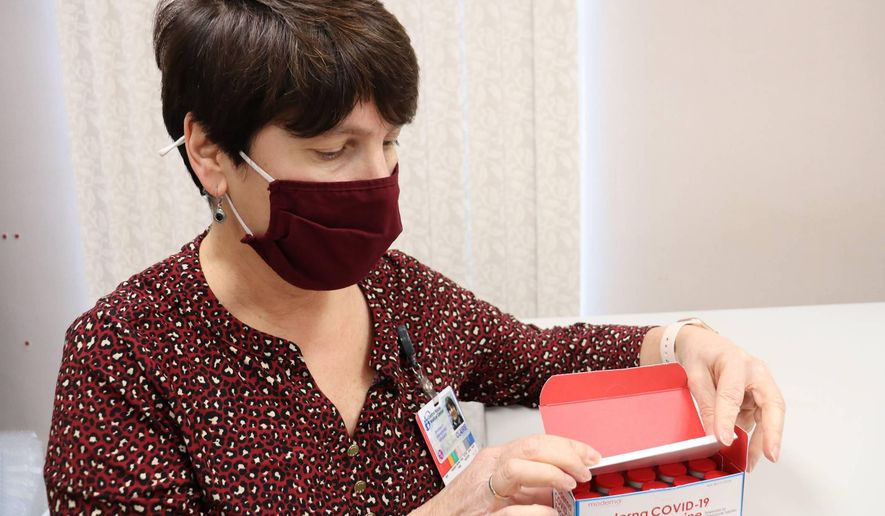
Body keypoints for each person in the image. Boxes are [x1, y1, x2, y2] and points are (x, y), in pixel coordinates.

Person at [43, 1, 785, 514]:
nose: (376, 178)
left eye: (390, 142)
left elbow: (537, 355)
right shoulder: (123, 359)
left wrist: (689, 344)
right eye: (334, 150)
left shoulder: (398, 296)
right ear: (210, 152)